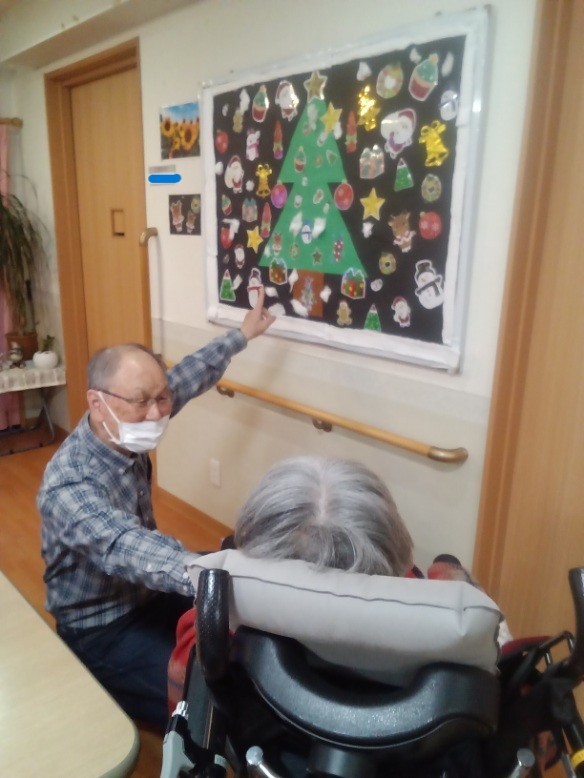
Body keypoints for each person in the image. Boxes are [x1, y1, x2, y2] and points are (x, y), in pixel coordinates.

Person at [37, 287, 275, 729]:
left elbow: (188, 374)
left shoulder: (136, 411)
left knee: (246, 644)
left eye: (162, 399)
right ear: (97, 403)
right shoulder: (68, 483)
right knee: (208, 700)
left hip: (148, 594)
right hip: (100, 627)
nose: (156, 414)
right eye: (142, 402)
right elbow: (125, 546)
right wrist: (214, 573)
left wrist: (242, 334)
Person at [168, 456, 512, 710]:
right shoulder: (440, 623)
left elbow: (185, 708)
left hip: (274, 744)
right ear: (391, 542)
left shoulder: (214, 622)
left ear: (254, 540)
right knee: (445, 565)